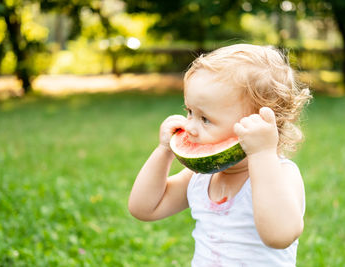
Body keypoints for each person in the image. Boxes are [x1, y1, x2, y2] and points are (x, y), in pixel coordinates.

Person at [128, 44, 312, 266]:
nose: (190, 127)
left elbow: (280, 236)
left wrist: (262, 154)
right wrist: (163, 151)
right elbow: (144, 208)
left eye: (205, 119)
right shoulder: (199, 178)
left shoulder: (281, 174)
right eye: (189, 112)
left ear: (258, 123)